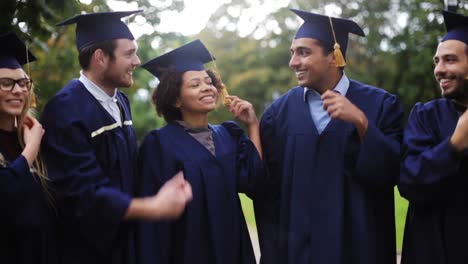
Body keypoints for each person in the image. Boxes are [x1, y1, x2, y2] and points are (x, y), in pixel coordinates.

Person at [41, 11, 192, 264]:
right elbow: (83, 193)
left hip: (124, 243)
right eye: (129, 53)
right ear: (100, 57)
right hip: (85, 250)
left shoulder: (121, 102)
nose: (137, 61)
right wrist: (152, 207)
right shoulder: (66, 109)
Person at [255, 9, 404, 264]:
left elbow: (393, 173)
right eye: (293, 53)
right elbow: (267, 192)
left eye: (303, 52)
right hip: (298, 253)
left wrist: (361, 122)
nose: (293, 62)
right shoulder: (277, 115)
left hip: (359, 250)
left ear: (334, 57)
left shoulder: (380, 105)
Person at [136, 39, 264, 264]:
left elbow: (255, 181)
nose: (207, 88)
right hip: (186, 252)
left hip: (233, 250)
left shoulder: (228, 135)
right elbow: (152, 225)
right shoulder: (159, 145)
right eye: (195, 85)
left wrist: (252, 125)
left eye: (209, 82)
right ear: (175, 98)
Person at [399, 10, 468, 264]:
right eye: (436, 61)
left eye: (450, 60)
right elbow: (408, 181)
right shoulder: (426, 116)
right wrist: (453, 146)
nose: (439, 70)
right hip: (436, 249)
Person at [0, 32, 57, 264]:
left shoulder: (30, 135)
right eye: (6, 83)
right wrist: (32, 147)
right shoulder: (33, 141)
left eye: (23, 82)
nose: (18, 90)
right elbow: (5, 193)